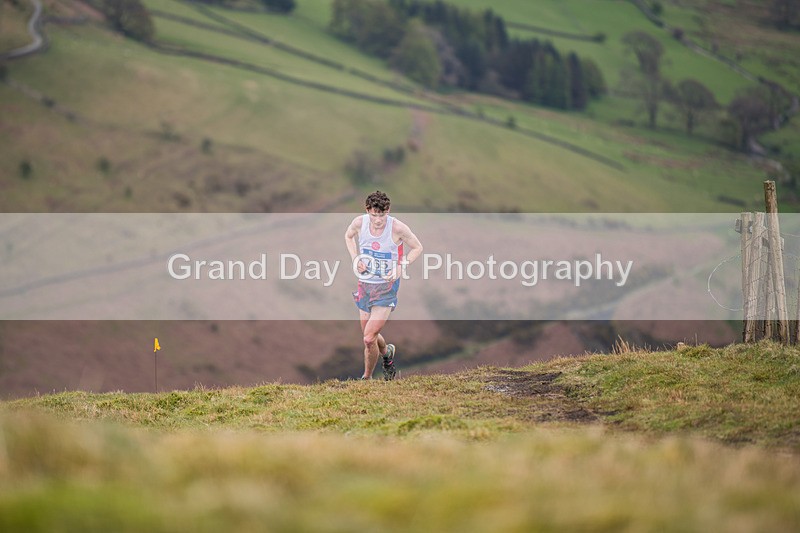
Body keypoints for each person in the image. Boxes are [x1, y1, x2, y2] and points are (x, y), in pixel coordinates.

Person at [344, 191, 423, 380]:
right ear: (367, 210)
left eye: (382, 214)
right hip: (365, 285)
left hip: (386, 287)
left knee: (368, 338)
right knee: (369, 336)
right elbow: (348, 236)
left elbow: (418, 247)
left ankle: (366, 378)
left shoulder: (398, 228)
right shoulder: (359, 223)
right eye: (374, 215)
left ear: (388, 211)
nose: (378, 220)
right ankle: (387, 354)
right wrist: (355, 259)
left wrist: (400, 268)